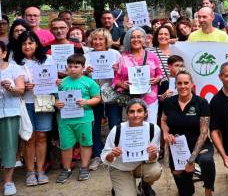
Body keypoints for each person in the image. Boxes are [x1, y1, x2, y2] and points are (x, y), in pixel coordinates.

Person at [161, 70, 217, 196]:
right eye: (179, 83)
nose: (183, 86)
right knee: (185, 194)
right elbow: (163, 120)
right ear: (176, 85)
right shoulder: (169, 102)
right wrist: (166, 133)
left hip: (199, 143)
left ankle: (208, 195)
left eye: (186, 83)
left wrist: (191, 160)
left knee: (206, 160)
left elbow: (204, 132)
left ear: (192, 84)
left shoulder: (201, 103)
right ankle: (195, 174)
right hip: (178, 147)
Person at [53, 54, 102, 183]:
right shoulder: (61, 83)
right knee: (66, 145)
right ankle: (66, 169)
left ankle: (84, 167)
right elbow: (55, 98)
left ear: (83, 67)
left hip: (84, 118)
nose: (73, 69)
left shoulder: (89, 82)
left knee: (85, 143)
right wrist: (56, 103)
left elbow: (97, 98)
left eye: (76, 66)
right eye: (70, 66)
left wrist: (86, 102)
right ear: (66, 67)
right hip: (65, 120)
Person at [13, 31, 54, 186]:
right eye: (24, 43)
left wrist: (54, 83)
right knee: (29, 137)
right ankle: (30, 172)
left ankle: (41, 170)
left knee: (42, 135)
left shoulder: (48, 59)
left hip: (44, 99)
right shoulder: (16, 62)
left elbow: (53, 79)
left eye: (30, 43)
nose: (27, 46)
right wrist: (23, 87)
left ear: (37, 44)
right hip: (25, 101)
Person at [85, 28, 123, 170]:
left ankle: (115, 154)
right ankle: (97, 154)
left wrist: (116, 69)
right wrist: (86, 71)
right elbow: (80, 73)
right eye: (95, 39)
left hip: (113, 93)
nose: (98, 41)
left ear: (107, 40)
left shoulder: (115, 53)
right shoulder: (87, 55)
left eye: (101, 39)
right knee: (95, 125)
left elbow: (123, 73)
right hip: (93, 94)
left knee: (115, 123)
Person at [113, 27, 164, 123]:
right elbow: (116, 80)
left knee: (150, 127)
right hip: (130, 100)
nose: (136, 40)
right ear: (129, 40)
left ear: (144, 39)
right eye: (133, 37)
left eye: (139, 37)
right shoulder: (123, 58)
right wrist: (123, 84)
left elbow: (160, 74)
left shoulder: (152, 56)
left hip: (150, 98)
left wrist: (157, 79)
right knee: (133, 130)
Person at [0, 42, 26, 196]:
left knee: (9, 146)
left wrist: (10, 88)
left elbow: (21, 89)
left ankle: (8, 182)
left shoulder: (14, 68)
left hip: (9, 112)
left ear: (3, 53)